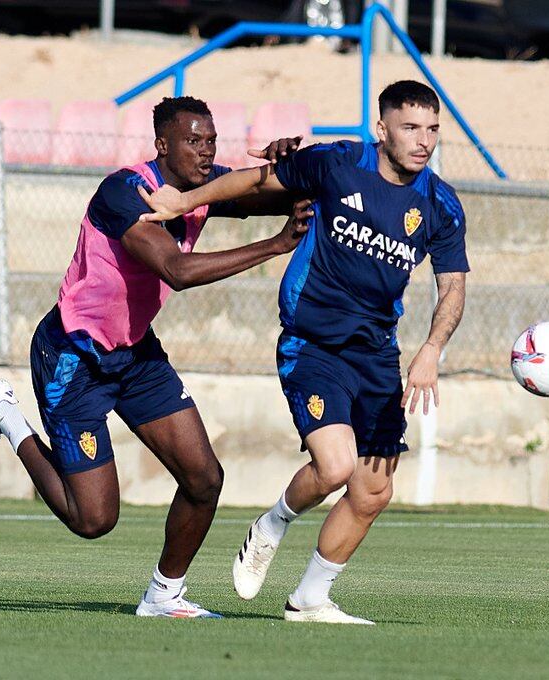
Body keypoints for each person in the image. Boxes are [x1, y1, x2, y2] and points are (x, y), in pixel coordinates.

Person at [0, 96, 309, 619]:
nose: (205, 151)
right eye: (193, 141)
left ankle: (163, 597)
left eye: (211, 140)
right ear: (163, 145)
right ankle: (4, 416)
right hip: (74, 356)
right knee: (93, 519)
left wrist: (290, 168)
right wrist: (275, 246)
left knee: (204, 479)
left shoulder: (202, 190)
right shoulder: (124, 192)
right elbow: (177, 272)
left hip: (135, 354)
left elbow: (278, 192)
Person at [138, 80, 469, 624]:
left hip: (377, 355)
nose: (423, 141)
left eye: (432, 129)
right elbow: (259, 178)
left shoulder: (440, 204)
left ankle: (310, 598)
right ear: (381, 130)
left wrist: (431, 349)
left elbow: (452, 285)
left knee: (373, 491)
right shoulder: (337, 164)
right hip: (312, 344)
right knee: (336, 465)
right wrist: (186, 199)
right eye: (410, 128)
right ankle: (272, 524)